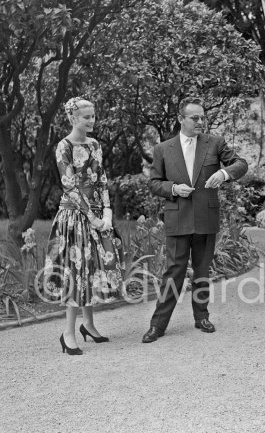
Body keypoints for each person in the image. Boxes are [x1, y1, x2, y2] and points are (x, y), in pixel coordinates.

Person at [142, 98, 248, 343]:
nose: (201, 122)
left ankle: (201, 317)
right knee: (174, 272)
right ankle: (158, 325)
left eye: (202, 117)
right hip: (177, 217)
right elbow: (154, 183)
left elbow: (240, 164)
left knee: (202, 271)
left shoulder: (215, 143)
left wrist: (223, 173)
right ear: (181, 119)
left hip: (205, 216)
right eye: (195, 118)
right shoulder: (162, 149)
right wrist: (173, 189)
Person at [45, 97, 124, 355]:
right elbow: (70, 185)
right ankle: (68, 332)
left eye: (93, 116)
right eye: (86, 117)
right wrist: (92, 217)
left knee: (92, 270)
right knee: (75, 272)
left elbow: (101, 180)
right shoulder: (63, 146)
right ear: (72, 118)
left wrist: (108, 214)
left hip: (98, 215)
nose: (91, 120)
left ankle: (88, 324)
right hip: (74, 216)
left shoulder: (95, 145)